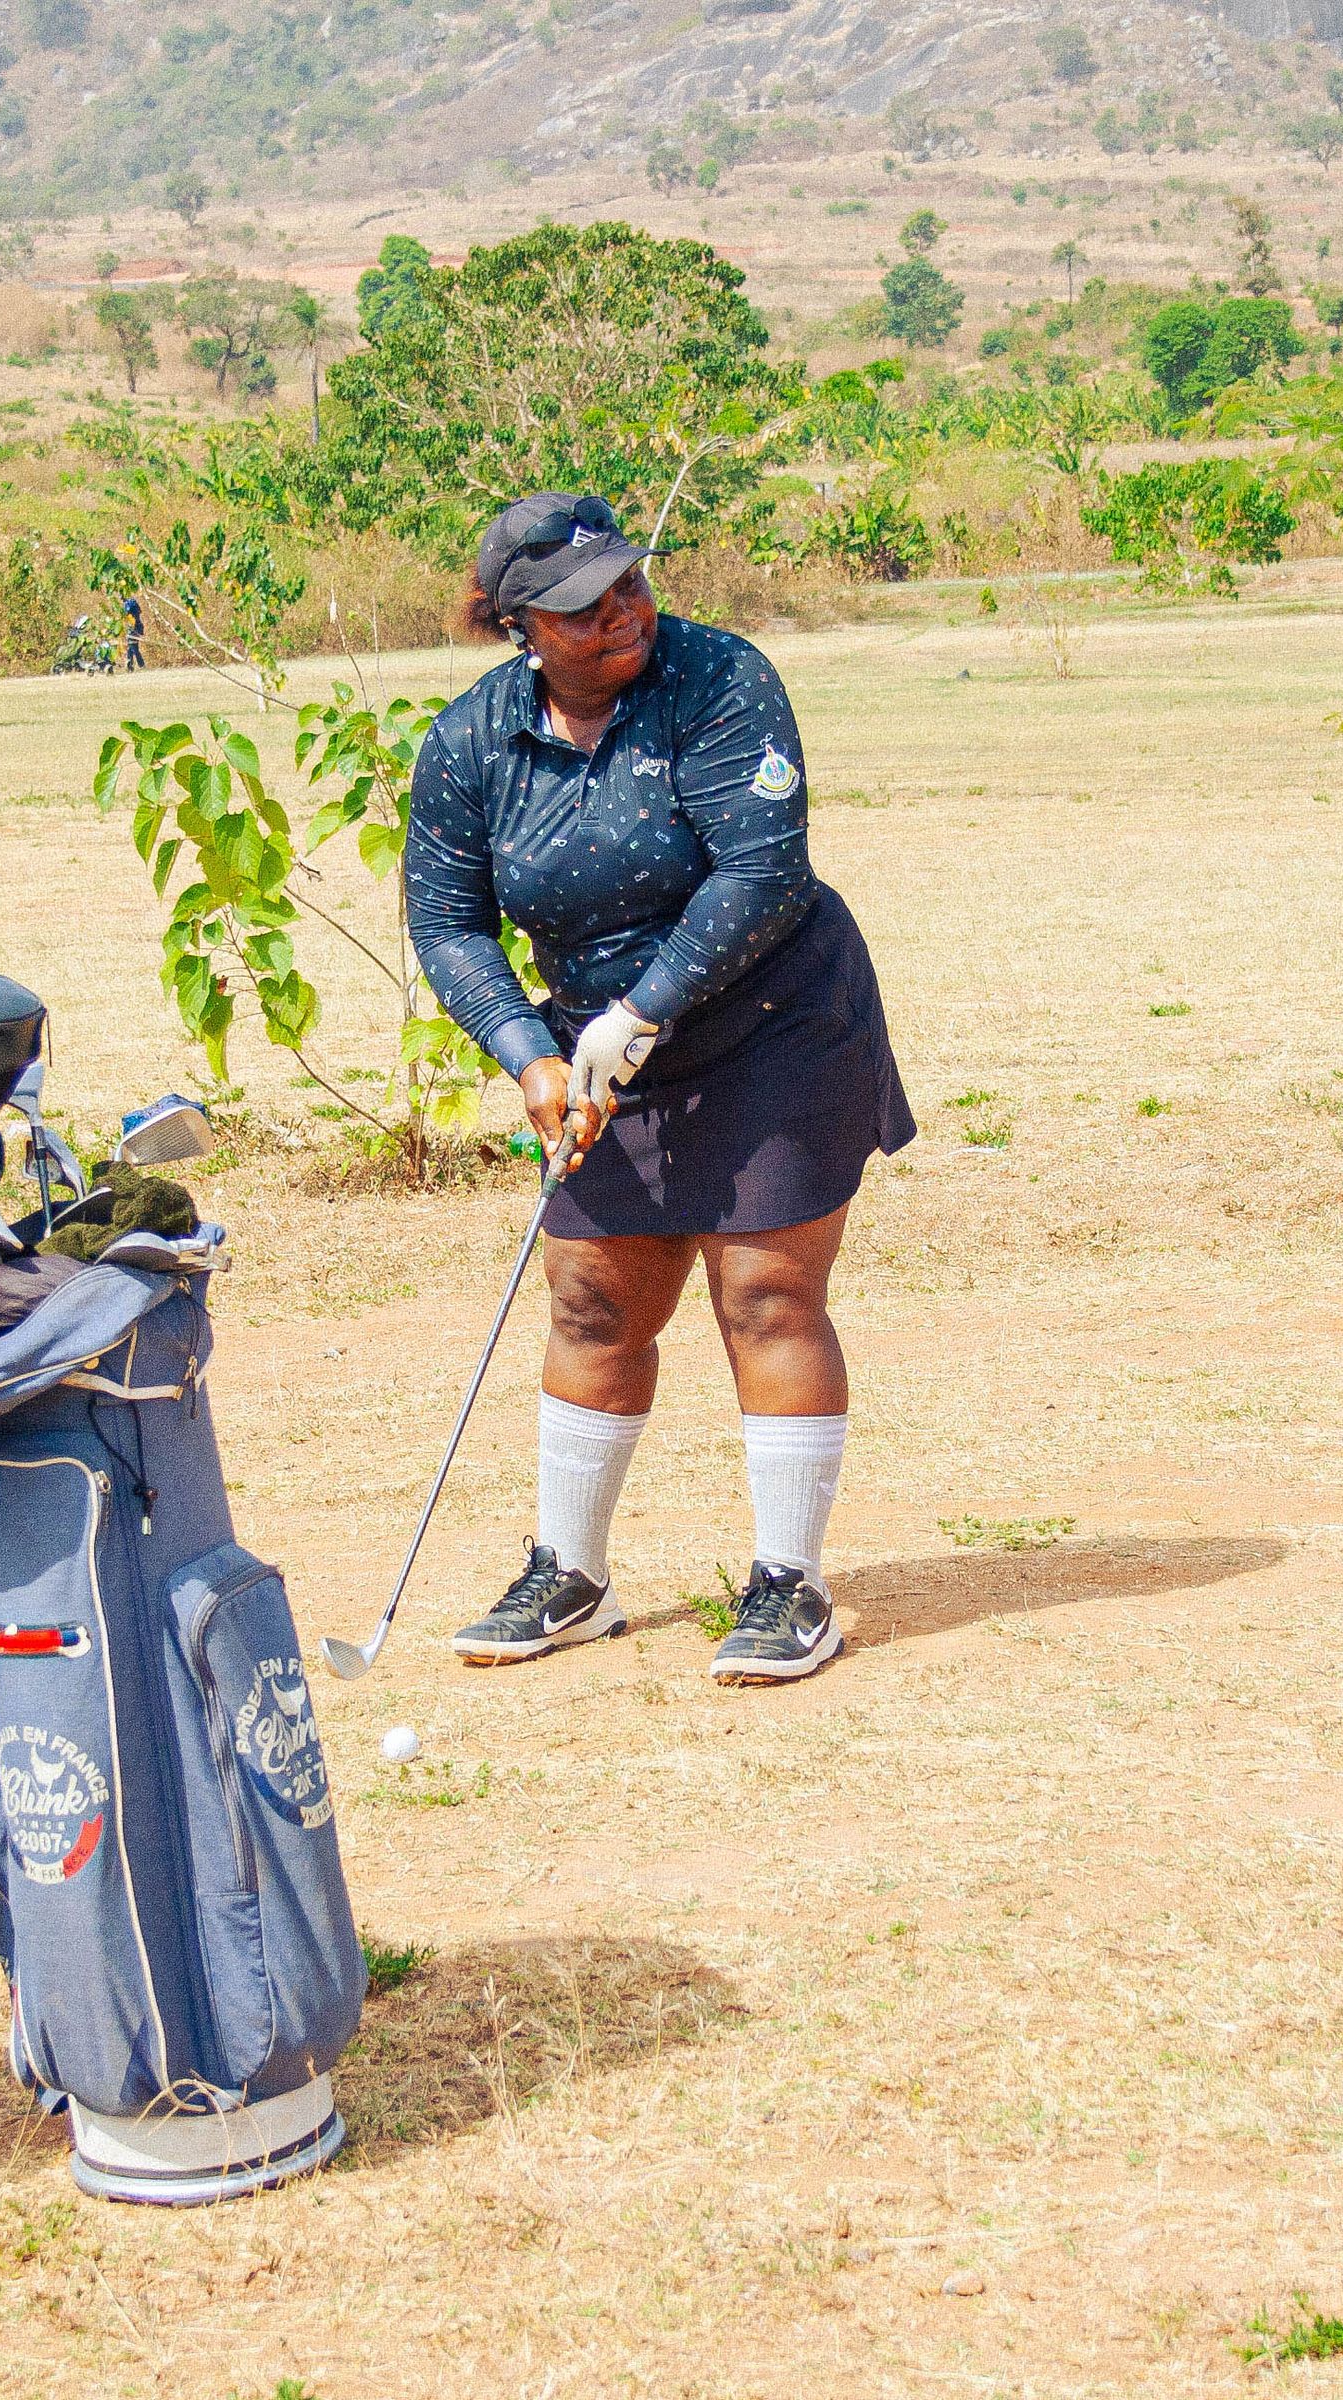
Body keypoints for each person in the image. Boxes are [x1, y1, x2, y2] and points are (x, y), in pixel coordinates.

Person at [405, 493, 915, 1689]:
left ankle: (790, 1585)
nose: (620, 614)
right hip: (593, 1049)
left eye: (628, 585)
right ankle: (569, 1576)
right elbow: (446, 920)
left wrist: (642, 1010)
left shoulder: (720, 678)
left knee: (767, 1293)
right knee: (592, 1302)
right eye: (581, 608)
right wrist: (527, 1050)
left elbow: (762, 870)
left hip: (775, 1023)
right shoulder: (472, 741)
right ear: (516, 623)